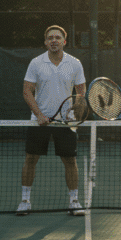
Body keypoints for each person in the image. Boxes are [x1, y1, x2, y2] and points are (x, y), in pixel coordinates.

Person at [17, 25, 87, 216]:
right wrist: (39, 115)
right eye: (50, 38)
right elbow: (27, 91)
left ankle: (74, 201)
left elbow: (81, 91)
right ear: (45, 42)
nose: (54, 40)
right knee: (30, 159)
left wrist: (75, 109)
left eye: (57, 37)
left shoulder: (75, 63)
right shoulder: (36, 63)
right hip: (39, 121)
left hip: (65, 122)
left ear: (64, 41)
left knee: (70, 161)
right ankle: (25, 201)